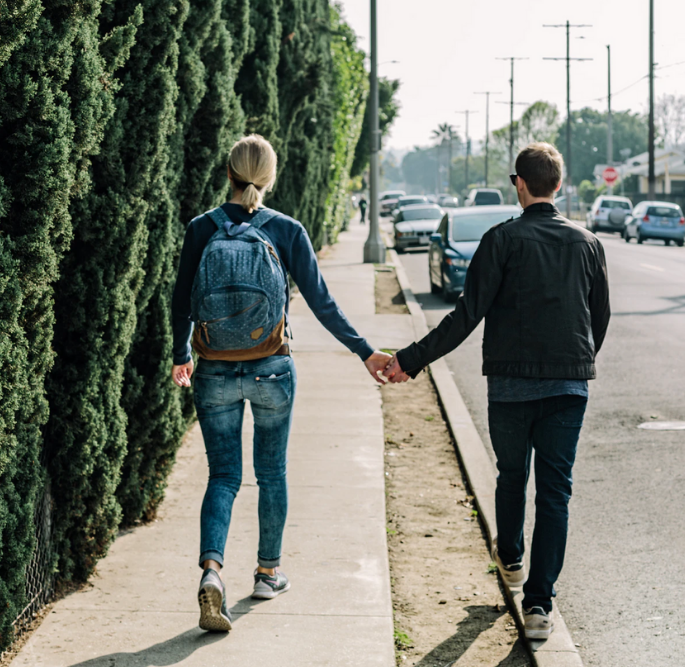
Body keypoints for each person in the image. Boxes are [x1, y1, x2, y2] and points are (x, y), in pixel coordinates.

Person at [385, 142, 610, 640]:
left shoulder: (501, 240)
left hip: (510, 386)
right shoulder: (589, 244)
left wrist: (410, 359)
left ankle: (509, 559)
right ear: (558, 183)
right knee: (556, 493)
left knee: (512, 476)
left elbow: (467, 316)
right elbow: (600, 318)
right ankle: (538, 607)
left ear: (520, 184)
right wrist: (576, 362)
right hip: (570, 387)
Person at [171, 134, 394, 632]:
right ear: (270, 178)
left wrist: (180, 353)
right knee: (271, 472)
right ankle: (268, 572)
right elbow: (321, 301)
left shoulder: (201, 228)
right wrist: (364, 351)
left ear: (227, 174)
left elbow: (180, 300)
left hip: (214, 370)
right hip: (272, 367)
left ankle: (212, 572)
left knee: (224, 476)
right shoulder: (287, 230)